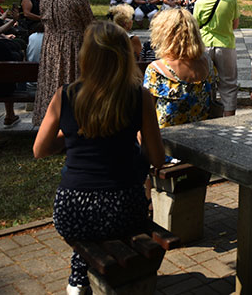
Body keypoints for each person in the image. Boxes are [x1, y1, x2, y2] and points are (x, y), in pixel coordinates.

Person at [33, 21, 166, 293]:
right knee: (122, 208)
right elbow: (157, 158)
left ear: (86, 56)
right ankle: (84, 280)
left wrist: (75, 134)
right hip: (123, 208)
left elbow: (40, 150)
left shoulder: (66, 95)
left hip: (72, 211)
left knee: (88, 236)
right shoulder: (139, 97)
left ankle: (78, 281)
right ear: (125, 55)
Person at [33, 0, 95, 126]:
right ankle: (76, 122)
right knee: (73, 81)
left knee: (53, 82)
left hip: (51, 46)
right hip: (74, 45)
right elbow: (89, 23)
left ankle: (52, 123)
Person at [144, 8, 216, 128]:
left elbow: (146, 115)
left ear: (163, 34)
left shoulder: (156, 69)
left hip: (166, 139)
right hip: (201, 134)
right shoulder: (207, 63)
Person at [193, 0, 239, 116]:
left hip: (205, 45)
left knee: (205, 82)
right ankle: (229, 117)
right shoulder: (231, 0)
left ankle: (209, 114)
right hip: (225, 45)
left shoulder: (199, 3)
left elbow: (196, 26)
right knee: (229, 84)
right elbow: (235, 25)